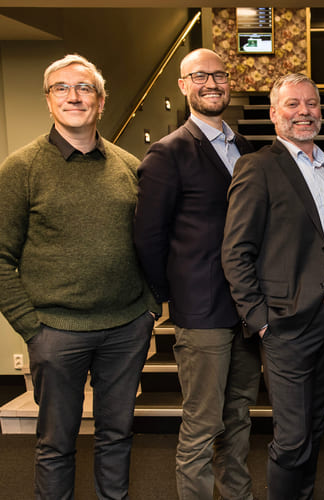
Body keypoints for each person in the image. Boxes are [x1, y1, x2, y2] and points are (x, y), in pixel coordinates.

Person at [0, 54, 159, 499]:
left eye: (84, 88)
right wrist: (32, 328)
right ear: (48, 101)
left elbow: (149, 244)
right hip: (56, 333)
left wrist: (149, 308)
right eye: (62, 88)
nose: (74, 96)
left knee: (117, 436)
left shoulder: (129, 167)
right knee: (55, 444)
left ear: (102, 101)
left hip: (125, 330)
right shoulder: (21, 169)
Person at [221, 72, 324, 500]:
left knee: (316, 426)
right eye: (293, 104)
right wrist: (260, 320)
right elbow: (235, 251)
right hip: (286, 324)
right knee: (293, 436)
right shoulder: (258, 166)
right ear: (274, 114)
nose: (304, 112)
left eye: (311, 104)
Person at [133, 48, 262, 500]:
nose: (212, 83)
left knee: (239, 417)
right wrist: (175, 294)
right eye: (200, 76)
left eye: (220, 75)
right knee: (202, 423)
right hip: (201, 310)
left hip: (246, 311)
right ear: (184, 85)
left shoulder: (245, 148)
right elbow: (148, 236)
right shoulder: (167, 153)